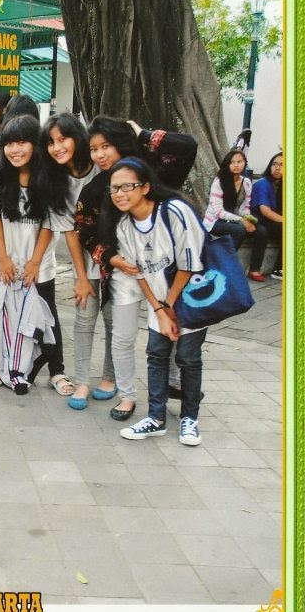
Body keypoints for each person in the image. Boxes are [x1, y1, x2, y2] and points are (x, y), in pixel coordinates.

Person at [74, 115, 198, 420]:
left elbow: (187, 147)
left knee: (171, 328)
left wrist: (143, 134)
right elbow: (85, 232)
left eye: (106, 146)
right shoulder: (94, 190)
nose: (100, 154)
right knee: (122, 336)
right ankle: (127, 396)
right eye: (93, 149)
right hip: (125, 272)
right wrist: (110, 258)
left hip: (166, 270)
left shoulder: (150, 173)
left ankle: (176, 386)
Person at [101, 158, 207, 446]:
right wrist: (159, 309)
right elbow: (138, 272)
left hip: (191, 298)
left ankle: (190, 419)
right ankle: (156, 418)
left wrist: (169, 306)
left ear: (145, 187)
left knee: (188, 358)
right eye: (114, 188)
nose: (120, 194)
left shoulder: (174, 211)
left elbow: (189, 264)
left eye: (127, 186)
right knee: (157, 354)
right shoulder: (125, 226)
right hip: (160, 302)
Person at [0, 114, 74, 396]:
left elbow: (49, 224)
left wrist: (34, 262)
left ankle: (57, 371)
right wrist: (3, 258)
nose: (15, 150)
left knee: (47, 315)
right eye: (9, 143)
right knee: (3, 314)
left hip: (38, 261)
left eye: (22, 142)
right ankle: (3, 369)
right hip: (4, 259)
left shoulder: (52, 177)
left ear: (35, 144)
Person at [42, 112, 110, 409]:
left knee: (114, 319)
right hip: (85, 255)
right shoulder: (55, 180)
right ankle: (82, 381)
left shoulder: (100, 165)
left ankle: (110, 377)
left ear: (77, 137)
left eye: (63, 139)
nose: (57, 148)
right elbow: (69, 232)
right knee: (84, 316)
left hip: (117, 254)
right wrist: (81, 278)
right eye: (51, 142)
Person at [249, 151, 283, 280]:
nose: (277, 168)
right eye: (274, 164)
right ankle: (279, 269)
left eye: (282, 165)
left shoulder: (282, 185)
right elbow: (265, 211)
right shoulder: (262, 183)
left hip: (271, 222)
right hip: (257, 220)